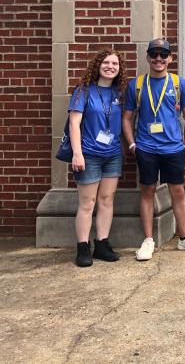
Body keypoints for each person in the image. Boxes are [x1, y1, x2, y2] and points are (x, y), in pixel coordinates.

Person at [122, 38, 185, 261]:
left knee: (177, 191)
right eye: (154, 55)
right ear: (148, 58)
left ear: (170, 58)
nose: (158, 59)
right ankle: (149, 240)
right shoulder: (137, 85)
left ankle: (184, 238)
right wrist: (132, 143)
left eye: (163, 55)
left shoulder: (180, 84)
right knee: (147, 191)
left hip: (173, 148)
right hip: (147, 147)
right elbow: (127, 118)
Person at [69, 49, 127, 267]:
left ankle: (101, 244)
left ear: (119, 69)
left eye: (115, 63)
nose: (110, 66)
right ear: (97, 65)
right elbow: (74, 123)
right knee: (87, 203)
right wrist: (77, 153)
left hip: (112, 155)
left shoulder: (119, 94)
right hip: (89, 155)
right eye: (106, 62)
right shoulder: (83, 91)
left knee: (106, 200)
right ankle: (83, 247)